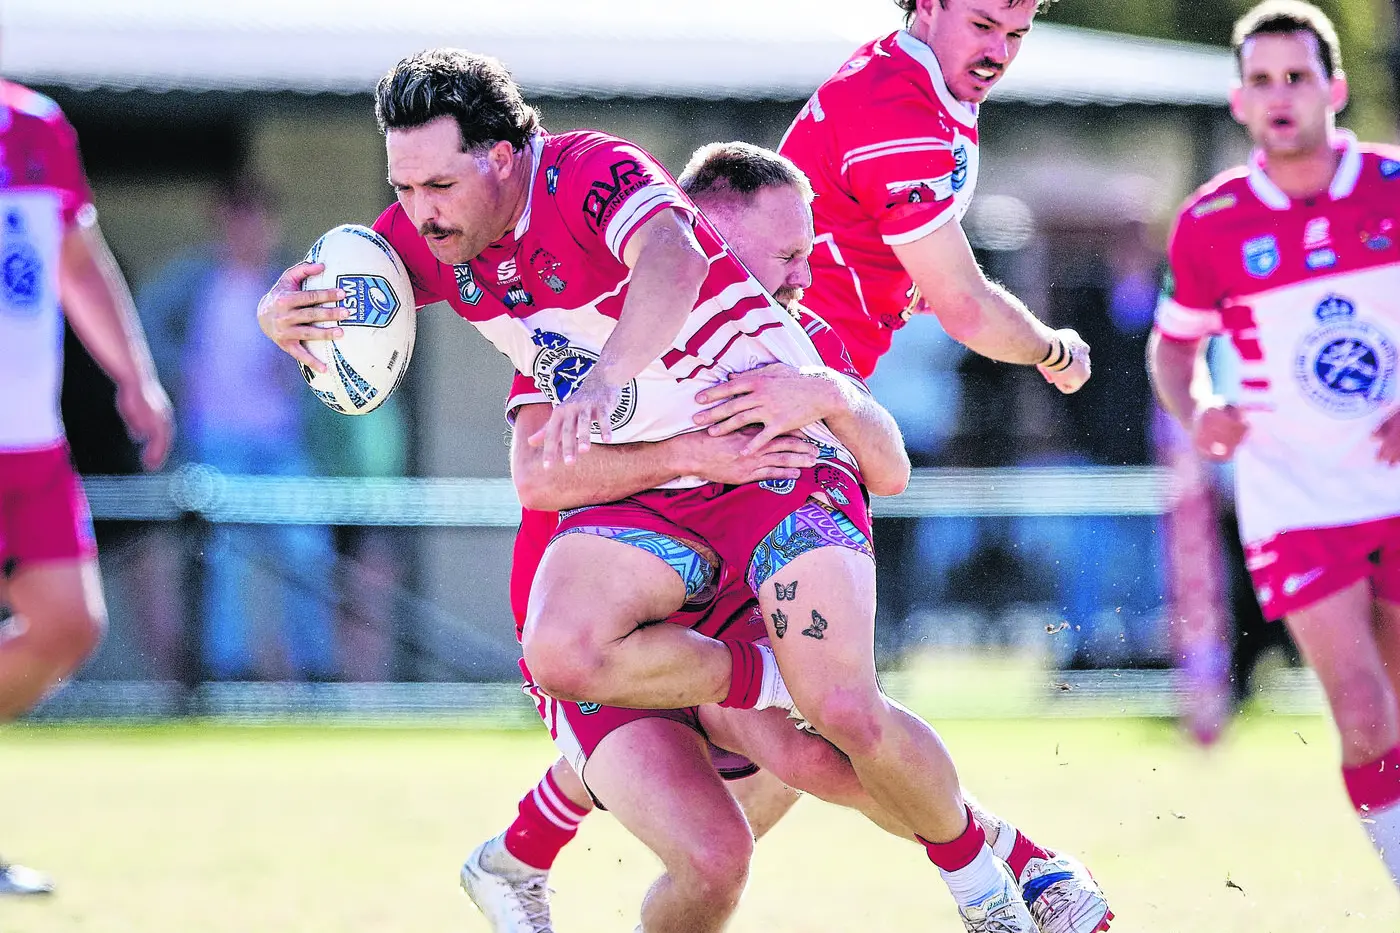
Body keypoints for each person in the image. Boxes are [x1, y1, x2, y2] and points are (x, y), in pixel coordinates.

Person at [256, 50, 1090, 931]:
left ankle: (990, 881)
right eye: (405, 185)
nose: (416, 208)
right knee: (729, 796)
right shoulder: (448, 242)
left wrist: (639, 382)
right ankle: (823, 745)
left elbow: (673, 258)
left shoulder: (594, 180)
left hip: (758, 483)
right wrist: (285, 311)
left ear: (501, 157)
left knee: (815, 735)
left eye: (434, 184)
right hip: (647, 521)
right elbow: (371, 311)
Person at [462, 142, 1110, 933]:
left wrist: (831, 392)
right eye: (789, 255)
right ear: (707, 242)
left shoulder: (787, 343)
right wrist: (695, 452)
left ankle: (1017, 871)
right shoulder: (583, 326)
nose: (805, 278)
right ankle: (1020, 867)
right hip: (596, 621)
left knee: (808, 755)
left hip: (717, 607)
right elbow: (542, 479)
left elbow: (889, 466)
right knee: (718, 841)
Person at [1148, 0, 1400, 891]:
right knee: (1365, 713)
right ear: (1239, 102)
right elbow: (1173, 344)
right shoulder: (1213, 222)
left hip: (1396, 486)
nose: (1280, 96)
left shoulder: (1393, 186)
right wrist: (1202, 406)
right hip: (1292, 495)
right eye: (1262, 81)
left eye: (1297, 77)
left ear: (1334, 87)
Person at [0, 78, 173, 893]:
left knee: (68, 625)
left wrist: (132, 375)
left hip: (31, 442)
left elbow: (74, 260)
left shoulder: (35, 125)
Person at [138, 177, 337, 682]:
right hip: (216, 443)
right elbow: (142, 320)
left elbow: (341, 344)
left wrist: (299, 371)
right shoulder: (193, 280)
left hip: (280, 442)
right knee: (225, 562)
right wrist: (174, 372)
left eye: (258, 218)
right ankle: (229, 675)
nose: (248, 230)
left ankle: (314, 673)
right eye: (238, 217)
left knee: (304, 553)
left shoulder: (294, 283)